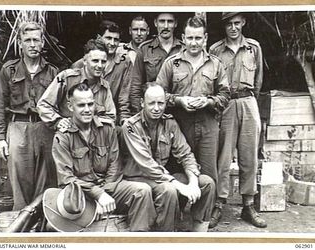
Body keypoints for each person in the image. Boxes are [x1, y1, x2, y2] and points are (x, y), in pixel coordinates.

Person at [51, 82, 156, 231]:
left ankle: (138, 240)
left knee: (142, 191)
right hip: (81, 194)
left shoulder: (107, 128)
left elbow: (115, 165)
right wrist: (97, 195)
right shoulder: (63, 137)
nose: (87, 110)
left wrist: (104, 193)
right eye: (81, 105)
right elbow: (66, 179)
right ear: (70, 107)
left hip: (109, 187)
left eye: (90, 104)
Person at [122, 83, 216, 232]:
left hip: (162, 178)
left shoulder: (169, 123)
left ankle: (199, 236)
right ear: (142, 103)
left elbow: (185, 154)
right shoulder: (130, 127)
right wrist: (178, 185)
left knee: (206, 183)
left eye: (161, 103)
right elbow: (147, 166)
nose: (157, 108)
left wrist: (192, 182)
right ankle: (166, 237)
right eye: (151, 103)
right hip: (138, 179)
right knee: (169, 189)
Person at [209, 12, 266, 228]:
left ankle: (248, 205)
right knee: (223, 156)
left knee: (249, 155)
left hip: (248, 102)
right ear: (224, 26)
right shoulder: (215, 50)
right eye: (229, 24)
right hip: (225, 105)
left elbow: (258, 80)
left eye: (237, 23)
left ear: (243, 23)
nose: (233, 28)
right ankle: (219, 203)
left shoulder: (254, 47)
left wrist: (249, 101)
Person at [156, 16, 230, 183]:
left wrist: (208, 102)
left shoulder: (216, 64)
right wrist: (179, 101)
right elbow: (158, 95)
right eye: (190, 38)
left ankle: (205, 209)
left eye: (198, 38)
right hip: (179, 125)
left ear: (205, 38)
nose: (194, 42)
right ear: (183, 38)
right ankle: (178, 208)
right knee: (178, 172)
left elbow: (225, 95)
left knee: (208, 175)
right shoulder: (171, 64)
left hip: (208, 125)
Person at [0, 22, 58, 210]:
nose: (32, 44)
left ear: (42, 43)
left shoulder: (52, 71)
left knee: (45, 178)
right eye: (27, 40)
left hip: (44, 127)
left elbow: (58, 105)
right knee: (19, 178)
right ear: (20, 43)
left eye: (36, 40)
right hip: (18, 127)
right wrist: (0, 138)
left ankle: (39, 221)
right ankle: (21, 221)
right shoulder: (9, 70)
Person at [37, 39, 116, 132]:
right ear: (85, 61)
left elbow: (110, 117)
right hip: (66, 135)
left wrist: (91, 122)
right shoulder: (66, 78)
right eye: (95, 61)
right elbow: (44, 105)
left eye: (103, 62)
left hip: (92, 136)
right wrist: (58, 121)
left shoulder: (104, 87)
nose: (99, 65)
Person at [72, 21, 132, 125]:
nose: (112, 43)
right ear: (99, 38)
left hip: (108, 116)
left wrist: (124, 119)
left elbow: (124, 96)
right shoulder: (81, 64)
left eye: (116, 40)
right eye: (108, 38)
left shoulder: (124, 62)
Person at [130, 12, 184, 115]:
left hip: (179, 113)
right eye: (162, 21)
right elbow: (135, 87)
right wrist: (141, 114)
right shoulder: (144, 49)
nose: (166, 26)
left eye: (170, 22)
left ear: (176, 23)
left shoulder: (184, 49)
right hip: (152, 110)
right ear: (155, 23)